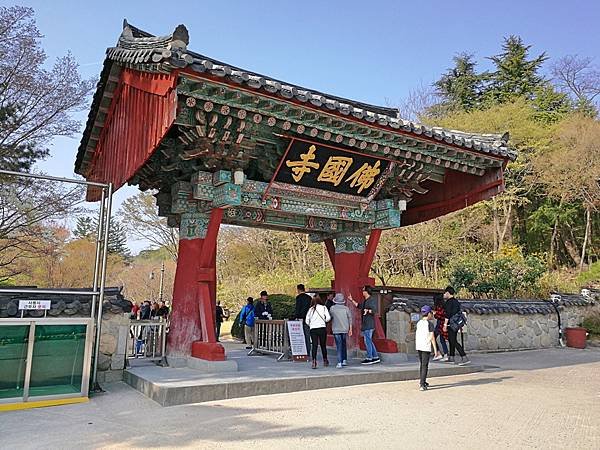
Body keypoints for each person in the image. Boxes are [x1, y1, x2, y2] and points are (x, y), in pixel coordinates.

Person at [350, 286, 380, 365]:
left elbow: (374, 310)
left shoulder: (371, 300)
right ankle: (375, 357)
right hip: (366, 324)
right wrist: (351, 300)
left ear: (367, 291)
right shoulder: (365, 301)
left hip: (369, 324)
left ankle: (369, 357)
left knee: (367, 341)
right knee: (369, 341)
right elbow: (359, 306)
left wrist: (368, 310)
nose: (362, 292)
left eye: (363, 290)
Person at [443, 286, 470, 365]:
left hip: (450, 324)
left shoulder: (449, 302)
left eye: (445, 293)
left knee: (453, 341)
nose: (444, 294)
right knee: (452, 340)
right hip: (456, 324)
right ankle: (452, 357)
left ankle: (464, 357)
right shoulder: (456, 302)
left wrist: (445, 325)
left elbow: (447, 315)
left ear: (448, 293)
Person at [305, 294, 331, 369]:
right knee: (323, 345)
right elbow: (328, 318)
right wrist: (324, 321)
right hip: (322, 328)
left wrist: (311, 324)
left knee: (314, 345)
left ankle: (314, 361)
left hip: (313, 329)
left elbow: (307, 320)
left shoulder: (311, 309)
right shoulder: (324, 307)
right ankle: (325, 360)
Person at [416, 305, 438, 391]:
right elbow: (432, 337)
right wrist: (436, 350)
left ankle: (423, 381)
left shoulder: (419, 323)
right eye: (431, 313)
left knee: (422, 364)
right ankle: (422, 384)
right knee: (425, 365)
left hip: (419, 346)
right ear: (429, 313)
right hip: (426, 346)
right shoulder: (430, 324)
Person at [330, 293, 353, 368]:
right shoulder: (346, 308)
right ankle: (344, 360)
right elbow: (350, 318)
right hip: (345, 328)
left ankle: (339, 362)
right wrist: (350, 329)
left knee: (339, 345)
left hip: (336, 329)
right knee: (343, 344)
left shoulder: (332, 308)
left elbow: (330, 317)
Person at [294, 284, 312, 358]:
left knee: (299, 336)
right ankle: (308, 352)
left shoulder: (298, 298)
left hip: (300, 318)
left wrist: (296, 316)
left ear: (298, 289)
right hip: (308, 319)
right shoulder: (309, 298)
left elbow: (297, 308)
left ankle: (301, 351)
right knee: (307, 336)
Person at [433, 293, 448, 361]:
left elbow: (438, 316)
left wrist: (434, 313)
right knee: (442, 340)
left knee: (433, 337)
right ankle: (445, 354)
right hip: (443, 323)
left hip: (440, 324)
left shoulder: (439, 306)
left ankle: (438, 353)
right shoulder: (445, 305)